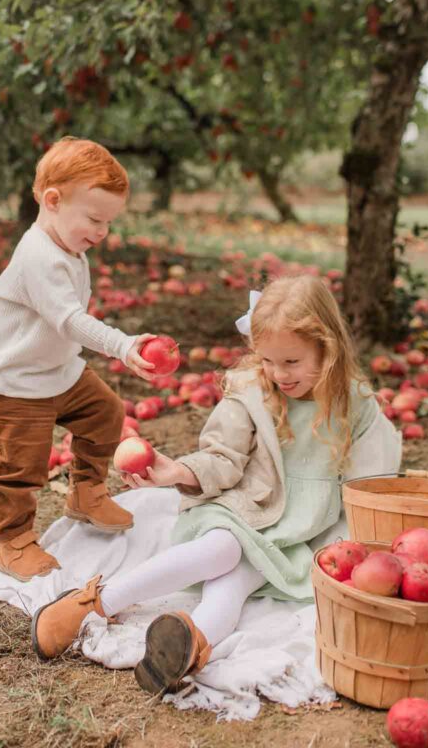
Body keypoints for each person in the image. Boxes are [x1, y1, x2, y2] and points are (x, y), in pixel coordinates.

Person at [30, 273, 400, 695]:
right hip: (245, 508)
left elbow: (370, 484)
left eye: (292, 362)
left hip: (301, 534)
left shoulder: (357, 406)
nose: (278, 373)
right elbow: (222, 457)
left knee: (236, 584)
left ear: (327, 348)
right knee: (223, 549)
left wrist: (359, 548)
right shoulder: (251, 391)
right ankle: (93, 604)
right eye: (267, 361)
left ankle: (188, 649)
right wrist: (177, 473)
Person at [0, 136, 162, 582]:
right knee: (22, 467)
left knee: (106, 413)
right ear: (54, 201)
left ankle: (87, 491)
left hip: (59, 372)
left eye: (108, 222)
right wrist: (121, 344)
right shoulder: (38, 256)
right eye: (95, 219)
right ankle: (14, 541)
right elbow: (68, 320)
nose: (102, 232)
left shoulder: (69, 245)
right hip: (19, 383)